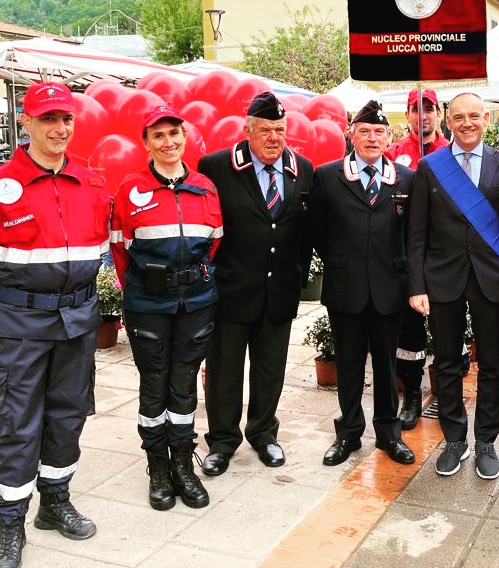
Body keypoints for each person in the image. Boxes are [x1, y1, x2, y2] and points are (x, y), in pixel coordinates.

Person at [0, 82, 111, 568]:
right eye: (47, 118)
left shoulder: (90, 183)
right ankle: (8, 522)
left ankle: (55, 502)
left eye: (65, 118)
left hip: (79, 320)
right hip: (19, 322)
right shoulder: (4, 184)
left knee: (68, 416)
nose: (58, 128)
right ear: (26, 123)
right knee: (16, 423)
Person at [110, 106, 223, 511]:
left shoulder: (206, 187)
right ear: (146, 144)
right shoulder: (130, 189)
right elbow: (119, 248)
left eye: (174, 132)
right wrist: (142, 290)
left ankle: (182, 464)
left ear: (185, 136)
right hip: (148, 304)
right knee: (154, 383)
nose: (168, 141)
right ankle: (157, 466)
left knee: (184, 382)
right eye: (158, 135)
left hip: (196, 302)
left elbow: (214, 243)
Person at [197, 92, 314, 477]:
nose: (273, 138)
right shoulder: (216, 167)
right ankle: (222, 441)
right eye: (264, 130)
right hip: (231, 290)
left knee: (270, 370)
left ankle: (263, 433)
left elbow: (304, 235)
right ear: (247, 130)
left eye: (279, 130)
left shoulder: (304, 170)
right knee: (225, 371)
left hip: (278, 290)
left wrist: (296, 279)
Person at [408, 92, 499, 480]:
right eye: (459, 117)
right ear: (446, 120)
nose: (467, 123)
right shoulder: (429, 166)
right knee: (446, 363)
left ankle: (486, 440)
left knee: (492, 363)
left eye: (474, 115)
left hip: (492, 278)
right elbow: (416, 233)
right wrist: (416, 285)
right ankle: (455, 439)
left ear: (486, 118)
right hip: (443, 279)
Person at [311, 100, 416, 467]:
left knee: (387, 366)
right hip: (346, 287)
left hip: (389, 289)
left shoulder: (406, 178)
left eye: (379, 132)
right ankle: (349, 433)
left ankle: (389, 434)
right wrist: (343, 262)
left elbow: (412, 234)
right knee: (349, 364)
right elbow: (318, 233)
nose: (372, 138)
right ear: (351, 134)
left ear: (390, 137)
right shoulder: (326, 176)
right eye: (365, 131)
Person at [384, 88, 450, 430]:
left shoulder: (452, 153)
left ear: (438, 113)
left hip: (447, 262)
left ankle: (447, 396)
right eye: (415, 109)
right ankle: (412, 394)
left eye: (428, 109)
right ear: (407, 114)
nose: (422, 115)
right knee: (408, 336)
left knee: (447, 332)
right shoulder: (394, 155)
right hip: (407, 262)